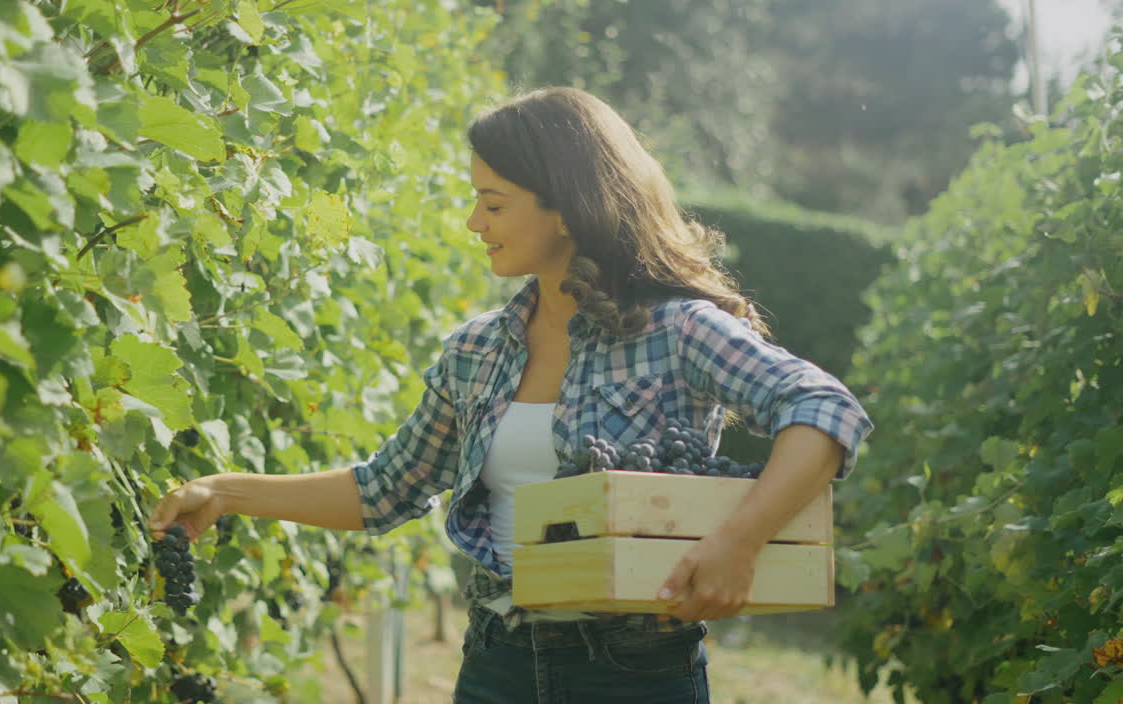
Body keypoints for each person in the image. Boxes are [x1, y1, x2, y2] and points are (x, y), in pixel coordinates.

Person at [149, 86, 873, 703]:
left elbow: (823, 408)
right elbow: (384, 491)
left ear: (564, 206)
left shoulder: (676, 330)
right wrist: (226, 491)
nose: (473, 224)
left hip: (635, 672)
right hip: (496, 663)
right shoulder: (476, 350)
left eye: (492, 204)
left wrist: (737, 543)